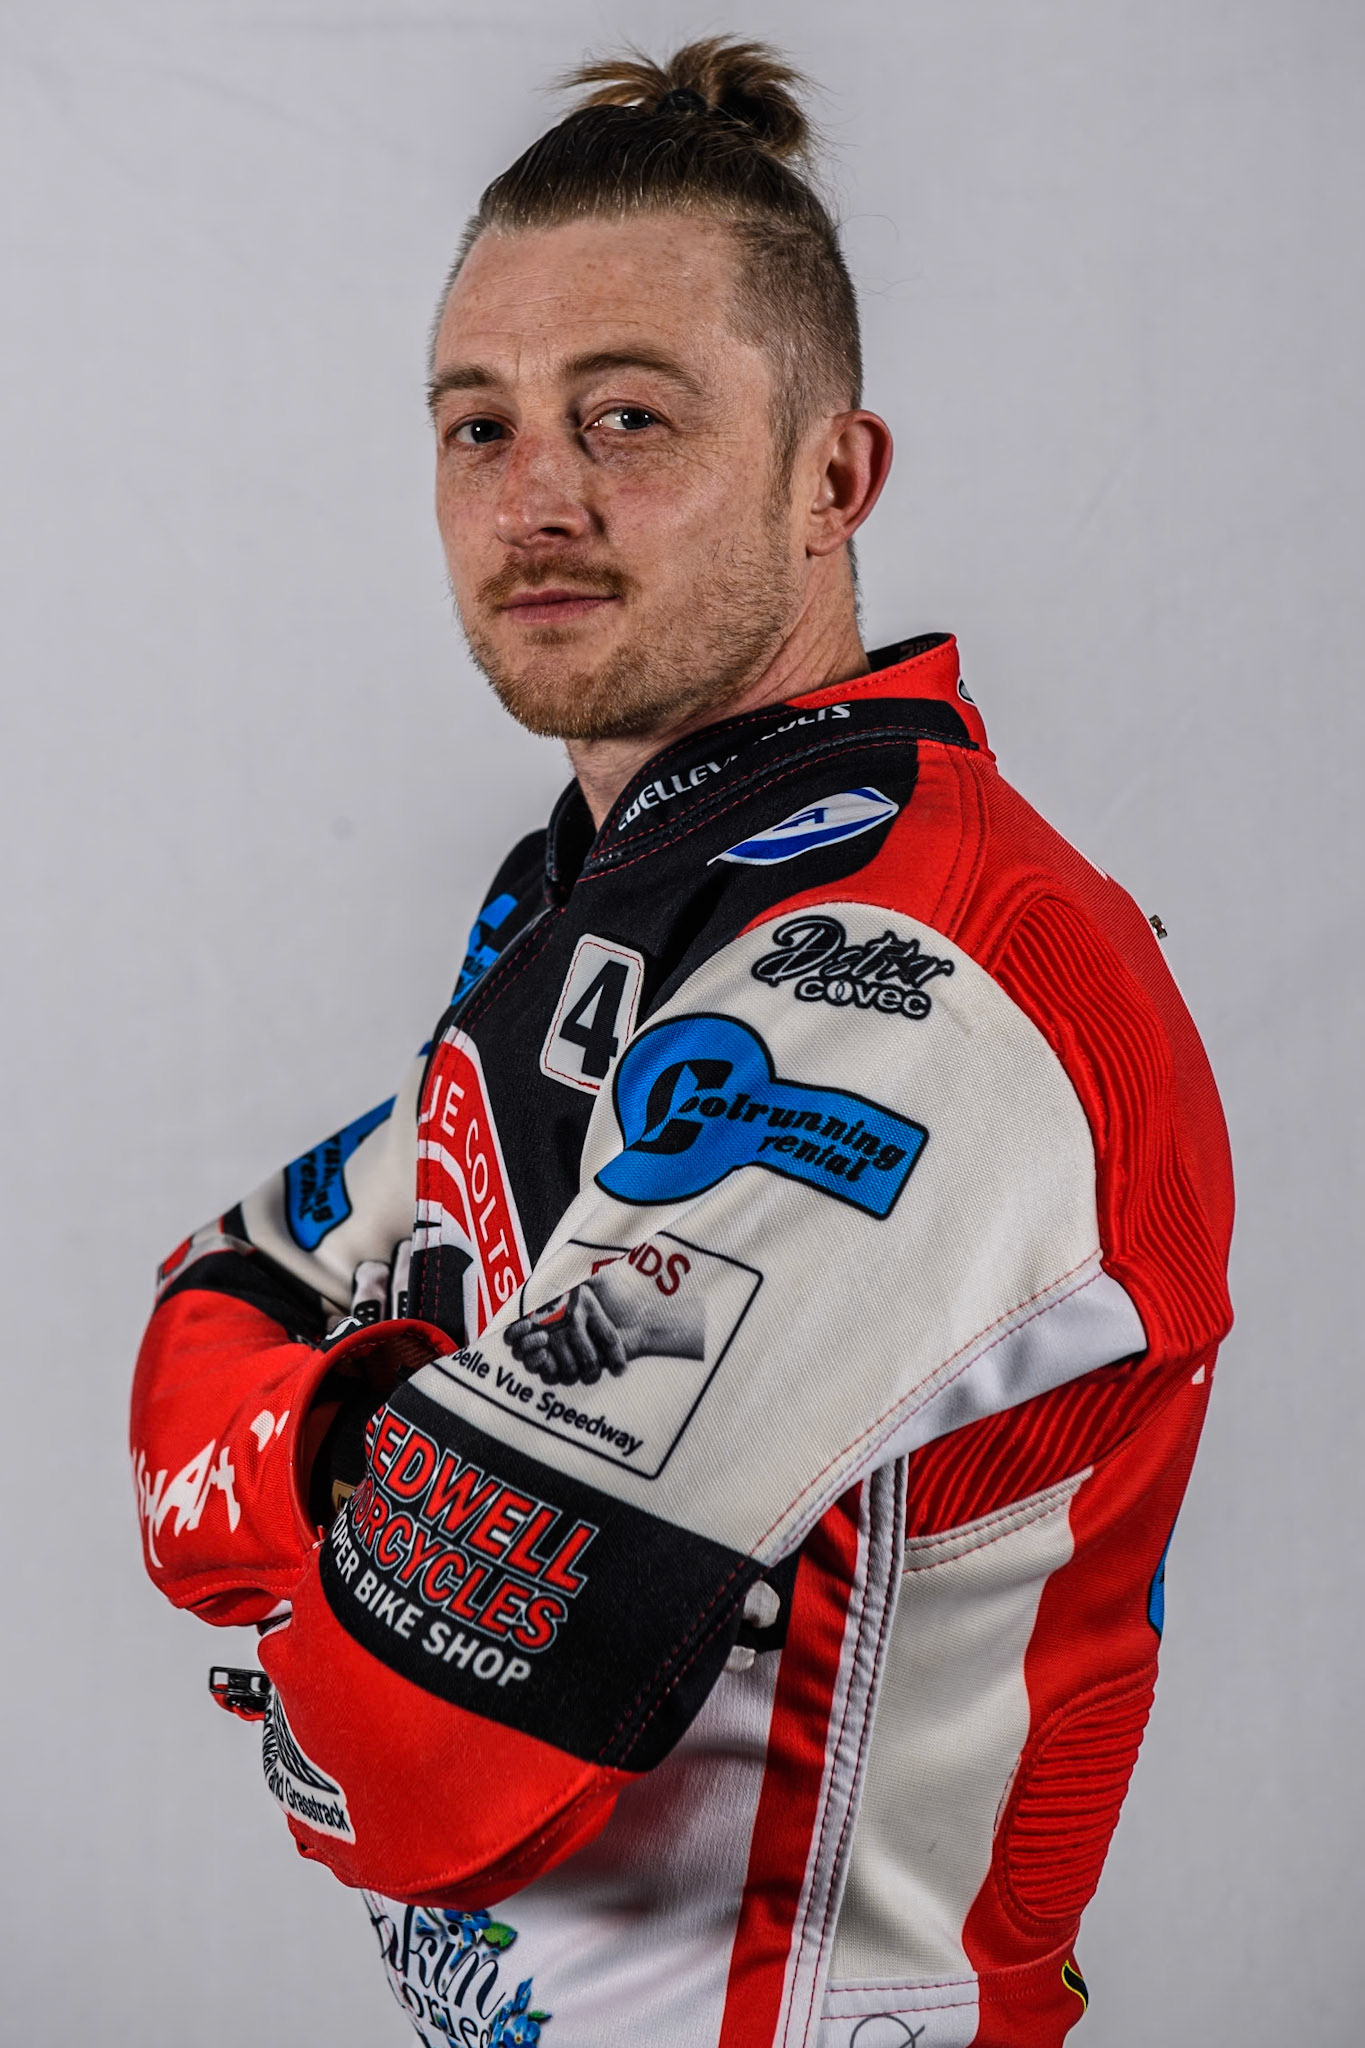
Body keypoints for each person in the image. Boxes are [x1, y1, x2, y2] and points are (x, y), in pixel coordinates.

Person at [130, 37, 1233, 2048]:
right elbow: (210, 1294)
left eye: (625, 417)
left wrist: (313, 1501)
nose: (535, 496)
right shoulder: (604, 896)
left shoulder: (904, 964)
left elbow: (416, 1751)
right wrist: (370, 1470)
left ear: (833, 477)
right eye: (478, 426)